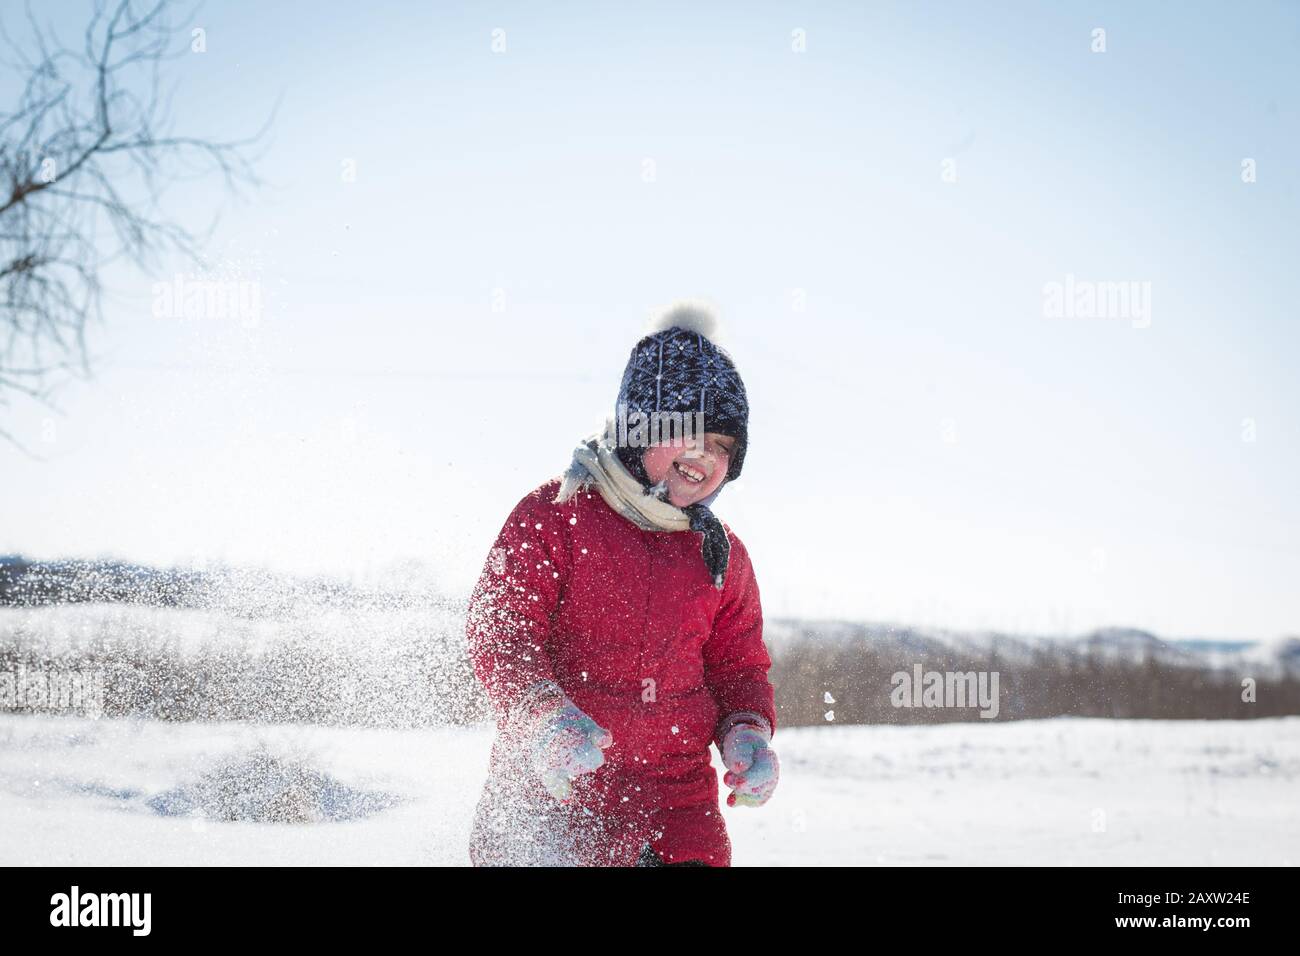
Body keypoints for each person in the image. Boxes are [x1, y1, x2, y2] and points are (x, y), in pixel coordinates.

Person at [465, 301, 779, 866]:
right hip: (552, 792)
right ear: (642, 427)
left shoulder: (722, 556)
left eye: (724, 447)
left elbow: (739, 666)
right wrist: (543, 713)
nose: (706, 456)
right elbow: (501, 631)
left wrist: (747, 730)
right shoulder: (557, 514)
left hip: (675, 812)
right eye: (691, 433)